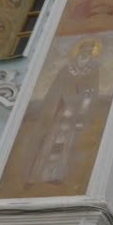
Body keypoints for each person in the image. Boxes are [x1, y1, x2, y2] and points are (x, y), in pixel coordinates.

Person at [25, 38, 101, 185]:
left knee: (66, 144)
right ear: (78, 52)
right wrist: (56, 104)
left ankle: (55, 175)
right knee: (49, 142)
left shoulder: (93, 70)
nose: (87, 53)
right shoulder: (66, 69)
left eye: (90, 51)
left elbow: (93, 90)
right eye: (84, 51)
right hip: (60, 113)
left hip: (76, 113)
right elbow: (55, 89)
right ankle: (38, 175)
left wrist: (83, 105)